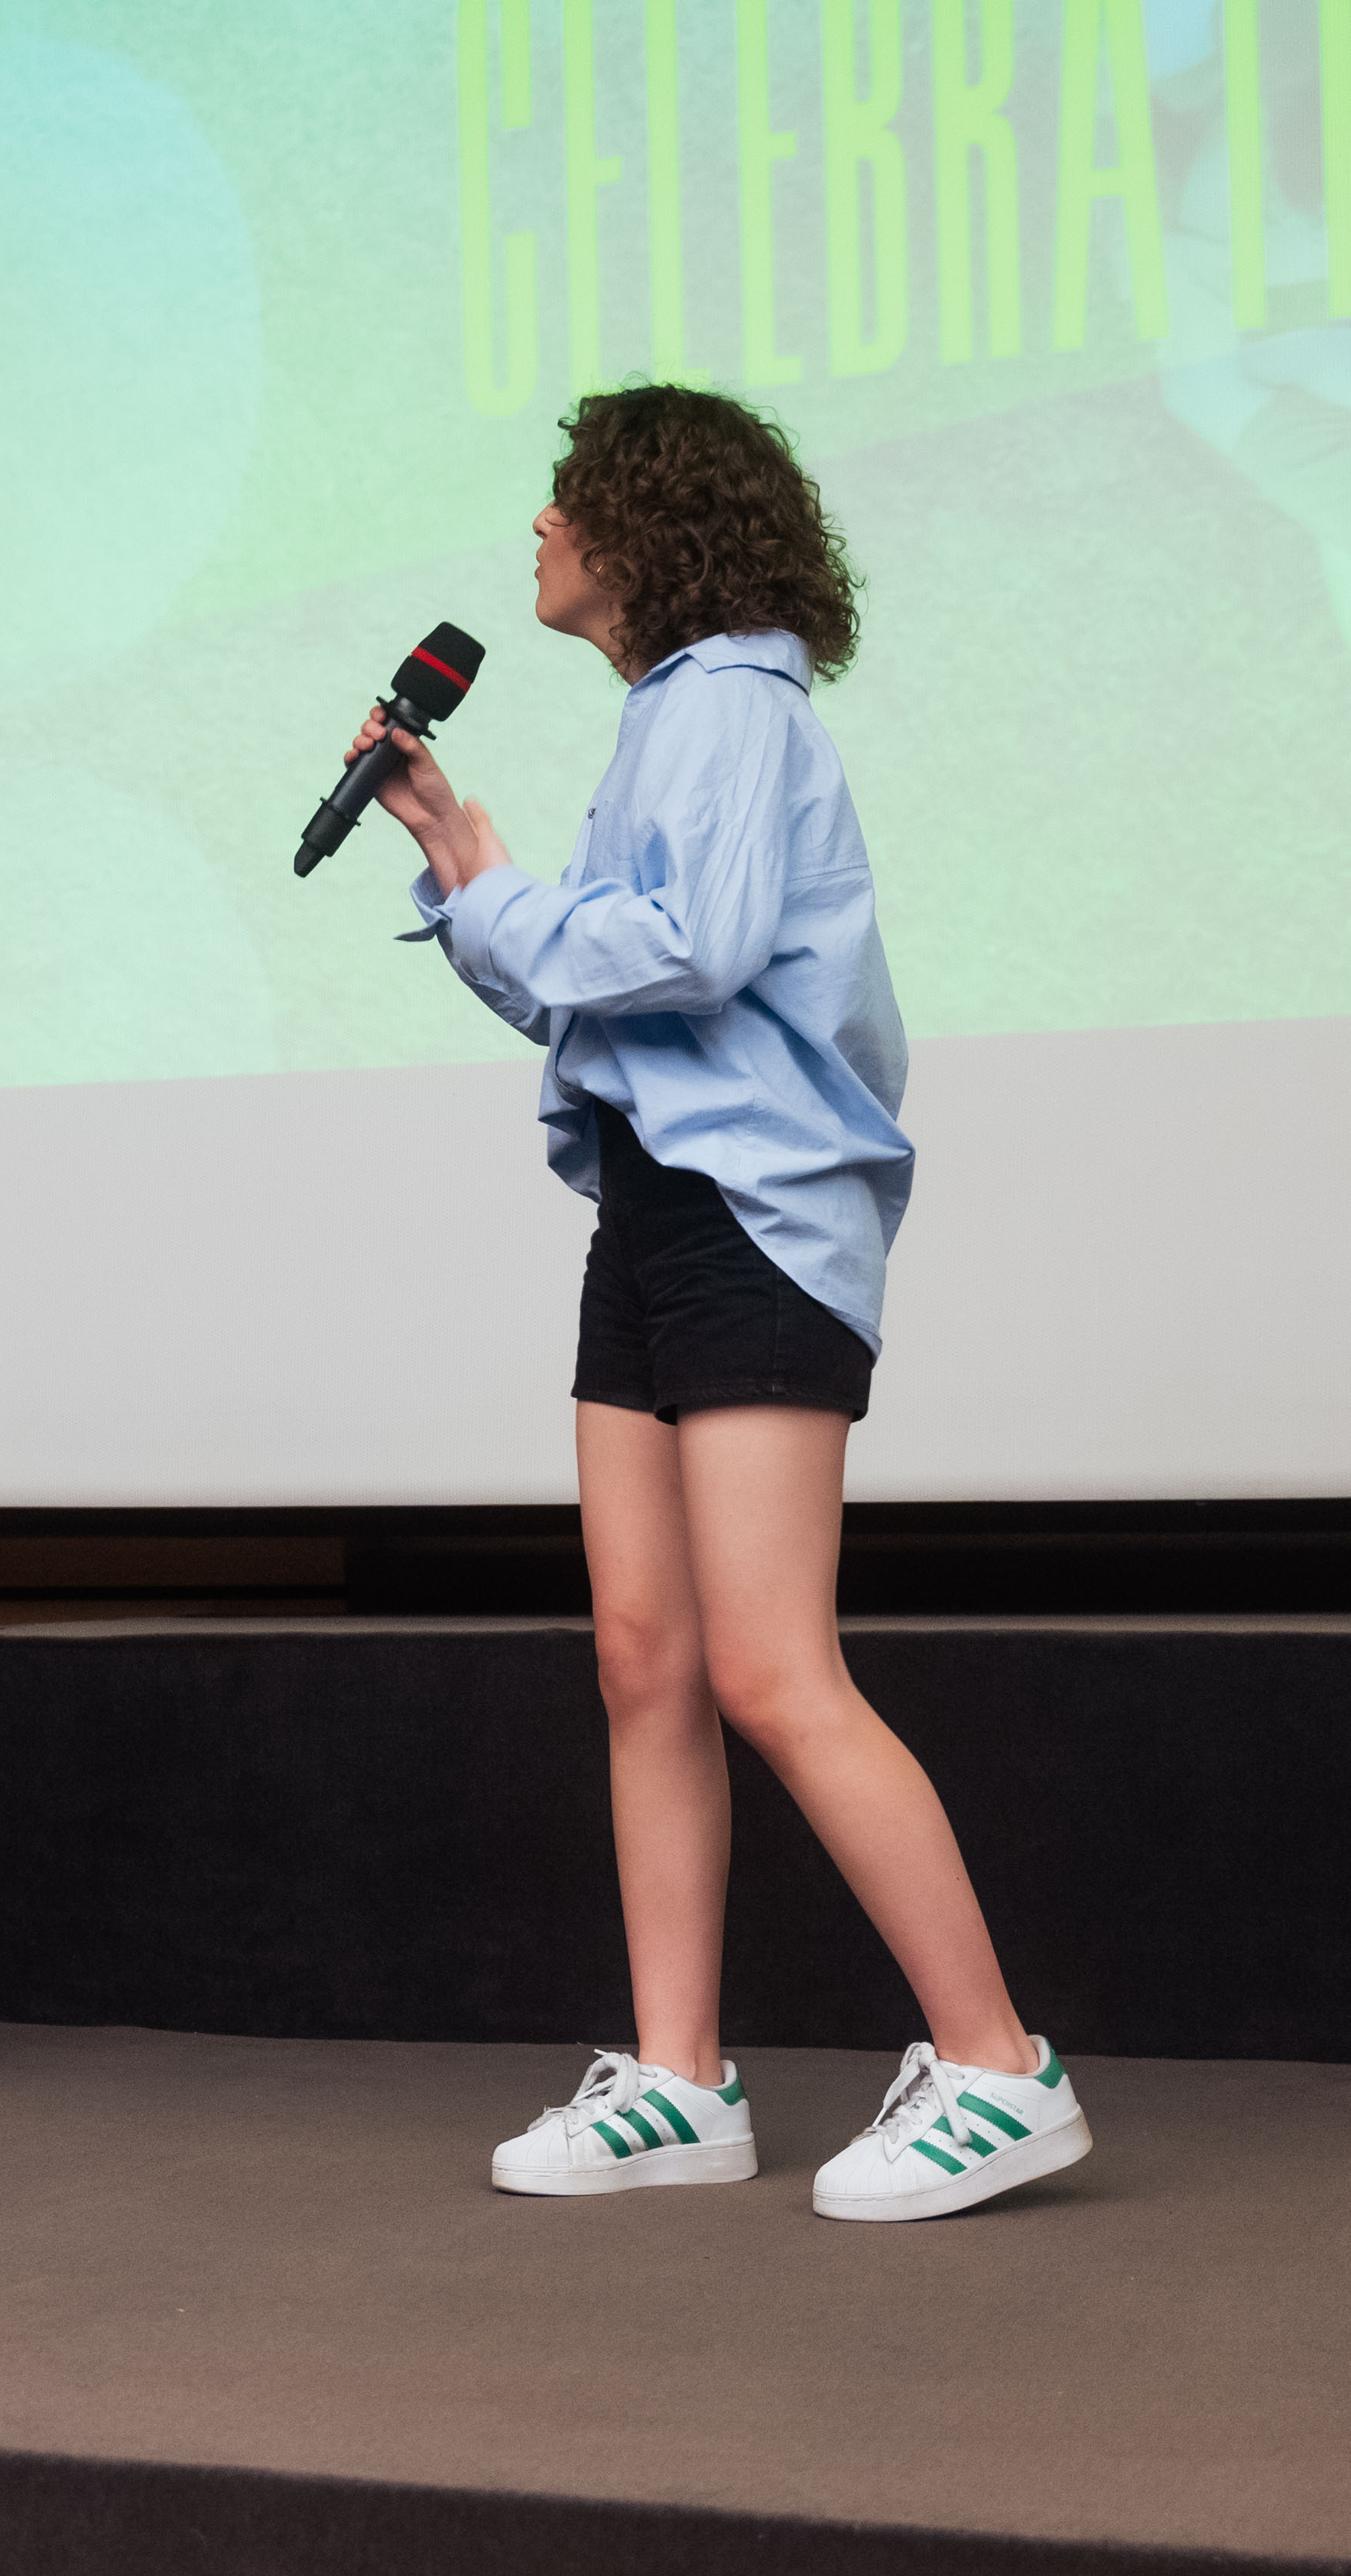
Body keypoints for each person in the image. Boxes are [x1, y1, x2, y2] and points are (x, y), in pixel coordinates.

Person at [358, 386, 1090, 2222]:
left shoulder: (731, 707)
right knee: (647, 1657)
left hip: (755, 1210)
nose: (542, 528)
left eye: (569, 499)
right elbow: (601, 997)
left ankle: (1001, 2066)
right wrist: (459, 866)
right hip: (656, 1206)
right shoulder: (668, 718)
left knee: (770, 1664)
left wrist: (505, 899)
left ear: (648, 526)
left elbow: (688, 951)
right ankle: (682, 2080)